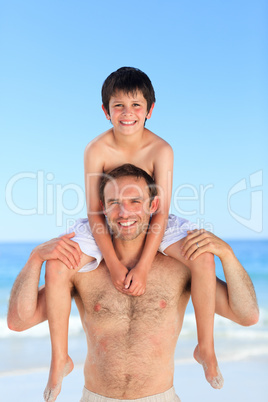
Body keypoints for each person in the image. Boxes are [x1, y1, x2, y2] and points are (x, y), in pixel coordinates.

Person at [7, 164, 259, 402]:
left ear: (153, 205)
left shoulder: (180, 267)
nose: (124, 213)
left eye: (135, 202)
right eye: (114, 203)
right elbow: (18, 321)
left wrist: (227, 254)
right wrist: (35, 257)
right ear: (102, 209)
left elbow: (247, 315)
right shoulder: (81, 268)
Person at [44, 67, 223, 400]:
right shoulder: (96, 149)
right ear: (105, 111)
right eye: (119, 106)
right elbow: (95, 211)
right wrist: (112, 264)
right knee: (56, 266)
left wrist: (141, 266)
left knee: (204, 259)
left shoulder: (161, 150)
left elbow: (162, 212)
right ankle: (60, 359)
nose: (128, 114)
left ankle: (205, 348)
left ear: (150, 110)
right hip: (106, 218)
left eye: (137, 105)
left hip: (153, 217)